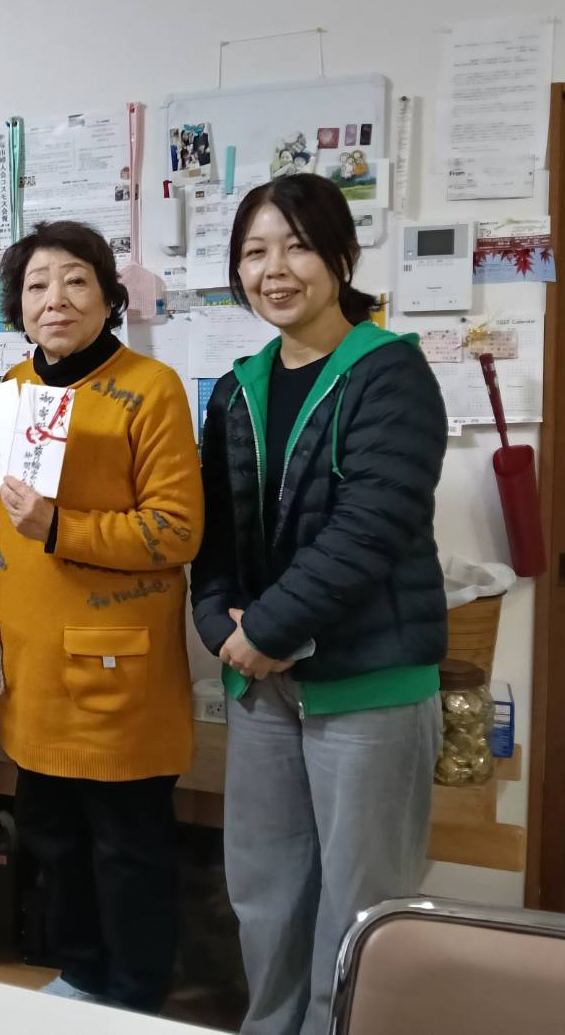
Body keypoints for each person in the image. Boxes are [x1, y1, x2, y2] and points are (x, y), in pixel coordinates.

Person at [190, 173, 448, 1035]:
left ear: (340, 256)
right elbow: (214, 537)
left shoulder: (390, 372)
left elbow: (372, 525)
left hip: (369, 679)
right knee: (264, 893)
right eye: (254, 252)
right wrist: (219, 626)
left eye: (297, 246)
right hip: (262, 685)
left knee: (362, 908)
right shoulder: (237, 388)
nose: (275, 270)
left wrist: (265, 628)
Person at [0, 221, 202, 1013]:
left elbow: (178, 530)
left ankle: (136, 997)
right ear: (17, 305)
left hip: (118, 670)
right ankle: (80, 974)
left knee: (127, 847)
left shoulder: (152, 387)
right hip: (32, 668)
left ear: (108, 297)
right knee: (53, 836)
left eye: (76, 280)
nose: (56, 299)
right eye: (36, 284)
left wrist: (62, 528)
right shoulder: (9, 391)